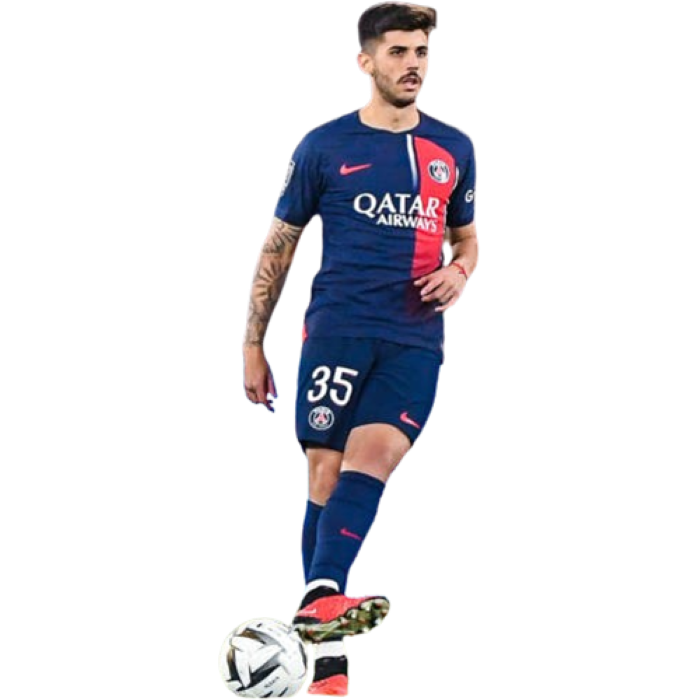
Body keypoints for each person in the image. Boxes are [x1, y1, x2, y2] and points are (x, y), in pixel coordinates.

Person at [241, 2, 479, 696]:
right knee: (323, 469)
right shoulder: (323, 145)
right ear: (364, 62)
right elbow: (279, 247)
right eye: (399, 52)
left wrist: (461, 272)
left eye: (422, 52)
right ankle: (328, 653)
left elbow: (468, 239)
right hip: (337, 328)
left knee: (375, 458)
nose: (414, 65)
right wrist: (253, 342)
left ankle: (319, 599)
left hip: (415, 338)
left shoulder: (455, 147)